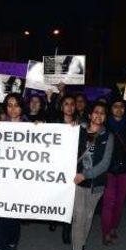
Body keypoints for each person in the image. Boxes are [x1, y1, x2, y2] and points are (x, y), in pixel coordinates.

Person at [69, 102, 114, 250]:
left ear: (105, 117)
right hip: (77, 183)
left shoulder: (107, 136)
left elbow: (105, 164)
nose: (98, 115)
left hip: (96, 184)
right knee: (78, 216)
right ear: (90, 115)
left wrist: (86, 175)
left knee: (88, 217)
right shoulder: (78, 130)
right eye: (96, 111)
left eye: (102, 113)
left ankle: (81, 244)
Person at [0, 93, 29, 250]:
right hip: (2, 176)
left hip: (22, 177)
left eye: (16, 105)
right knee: (2, 210)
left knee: (14, 211)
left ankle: (13, 238)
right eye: (9, 105)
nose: (13, 108)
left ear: (22, 107)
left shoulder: (31, 126)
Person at [101, 97, 126, 245]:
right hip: (108, 169)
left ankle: (113, 228)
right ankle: (105, 232)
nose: (119, 109)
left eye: (121, 106)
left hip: (125, 168)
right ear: (111, 108)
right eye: (115, 106)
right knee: (108, 202)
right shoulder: (104, 124)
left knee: (119, 201)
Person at [50, 94, 79, 239]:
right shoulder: (54, 122)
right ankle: (54, 218)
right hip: (56, 166)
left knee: (70, 198)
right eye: (66, 104)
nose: (69, 106)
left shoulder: (81, 124)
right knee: (56, 195)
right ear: (62, 107)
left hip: (72, 168)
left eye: (72, 103)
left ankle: (67, 230)